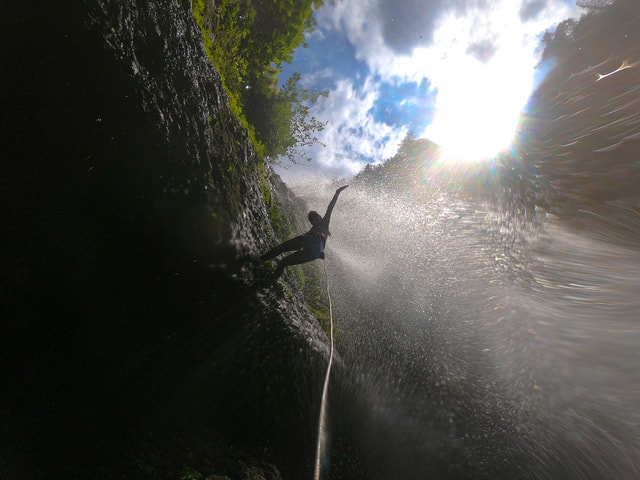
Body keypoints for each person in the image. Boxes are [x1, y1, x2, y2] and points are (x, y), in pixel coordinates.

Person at [260, 185, 349, 278]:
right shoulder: (314, 229)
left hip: (314, 243)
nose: (314, 221)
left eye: (316, 218)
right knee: (283, 262)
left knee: (281, 248)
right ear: (311, 222)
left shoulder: (324, 222)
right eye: (312, 220)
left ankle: (259, 261)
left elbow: (330, 207)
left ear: (320, 217)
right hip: (314, 253)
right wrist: (319, 254)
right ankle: (268, 280)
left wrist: (337, 192)